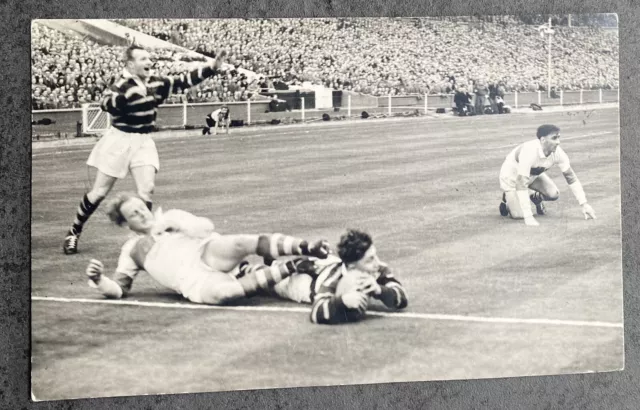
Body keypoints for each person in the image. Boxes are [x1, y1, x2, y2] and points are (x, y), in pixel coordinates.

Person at [62, 45, 227, 254]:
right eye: (143, 59)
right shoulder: (121, 85)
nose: (149, 62)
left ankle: (144, 240)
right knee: (100, 192)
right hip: (119, 141)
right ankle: (74, 232)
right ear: (130, 64)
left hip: (143, 141)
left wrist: (212, 66)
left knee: (146, 189)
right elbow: (105, 103)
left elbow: (183, 80)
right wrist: (129, 96)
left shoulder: (156, 82)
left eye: (149, 58)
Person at [85, 192, 331, 305]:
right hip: (192, 279)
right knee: (225, 294)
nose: (142, 213)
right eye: (133, 214)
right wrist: (98, 280)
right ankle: (292, 266)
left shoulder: (170, 216)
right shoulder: (131, 250)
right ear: (125, 224)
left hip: (206, 252)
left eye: (141, 207)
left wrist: (179, 224)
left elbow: (207, 226)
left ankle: (307, 247)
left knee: (239, 242)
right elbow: (119, 290)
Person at [268, 229, 408, 324]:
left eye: (374, 255)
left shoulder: (377, 268)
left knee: (315, 261)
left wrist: (380, 290)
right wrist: (342, 301)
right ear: (352, 266)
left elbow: (401, 298)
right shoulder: (333, 277)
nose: (377, 262)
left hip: (328, 264)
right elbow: (317, 312)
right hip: (307, 286)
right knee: (270, 281)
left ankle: (274, 261)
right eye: (370, 259)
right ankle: (251, 268)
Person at [498, 124, 597, 226]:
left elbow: (571, 177)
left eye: (558, 137)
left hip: (532, 176)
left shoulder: (558, 153)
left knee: (553, 194)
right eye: (554, 138)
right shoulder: (529, 152)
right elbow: (521, 183)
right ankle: (506, 199)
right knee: (519, 215)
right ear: (542, 140)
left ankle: (534, 197)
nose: (558, 142)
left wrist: (584, 204)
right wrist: (528, 216)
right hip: (512, 178)